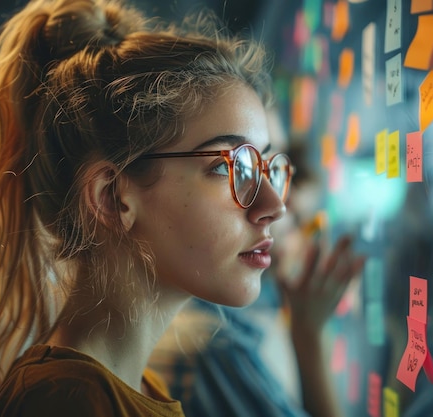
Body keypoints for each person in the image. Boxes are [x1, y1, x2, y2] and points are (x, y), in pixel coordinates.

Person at [0, 0, 298, 416]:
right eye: (226, 166)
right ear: (112, 197)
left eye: (265, 167)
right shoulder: (69, 401)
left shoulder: (131, 386)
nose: (274, 206)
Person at [149, 115, 366, 417]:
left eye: (273, 166)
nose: (278, 204)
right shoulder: (214, 346)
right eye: (233, 168)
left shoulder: (242, 318)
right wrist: (309, 339)